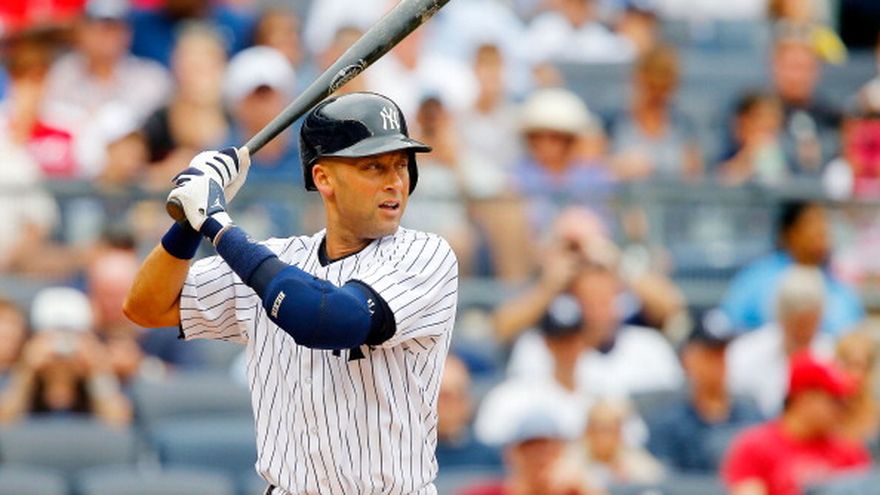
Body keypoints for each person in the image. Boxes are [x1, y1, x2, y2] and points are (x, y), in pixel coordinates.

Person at [124, 92, 459, 494]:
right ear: (323, 178)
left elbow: (326, 319)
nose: (394, 182)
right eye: (373, 166)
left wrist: (216, 223)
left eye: (401, 165)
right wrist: (189, 218)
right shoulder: (274, 259)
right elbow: (145, 306)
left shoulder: (425, 255)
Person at [721, 352, 871, 495]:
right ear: (805, 398)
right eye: (834, 400)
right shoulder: (755, 446)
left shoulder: (848, 452)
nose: (842, 408)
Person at [720, 200, 864, 336]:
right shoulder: (757, 280)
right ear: (789, 233)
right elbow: (727, 326)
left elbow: (853, 336)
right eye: (811, 222)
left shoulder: (839, 289)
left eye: (824, 223)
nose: (821, 231)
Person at [646, 308, 763, 473]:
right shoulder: (668, 422)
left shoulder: (751, 416)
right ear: (688, 359)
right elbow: (663, 478)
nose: (718, 364)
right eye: (709, 355)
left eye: (722, 354)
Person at [0, 287, 132, 426]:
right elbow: (4, 424)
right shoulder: (14, 374)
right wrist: (26, 371)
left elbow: (119, 425)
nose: (62, 347)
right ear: (34, 339)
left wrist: (99, 371)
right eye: (51, 336)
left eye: (72, 336)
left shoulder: (103, 376)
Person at [610, 44, 703, 181]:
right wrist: (618, 167)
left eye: (664, 88)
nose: (657, 95)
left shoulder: (685, 126)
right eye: (652, 86)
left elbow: (694, 175)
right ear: (638, 81)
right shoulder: (615, 123)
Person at [436, 353, 503, 471]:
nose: (450, 406)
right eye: (443, 397)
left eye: (459, 394)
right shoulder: (410, 456)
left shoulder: (490, 457)